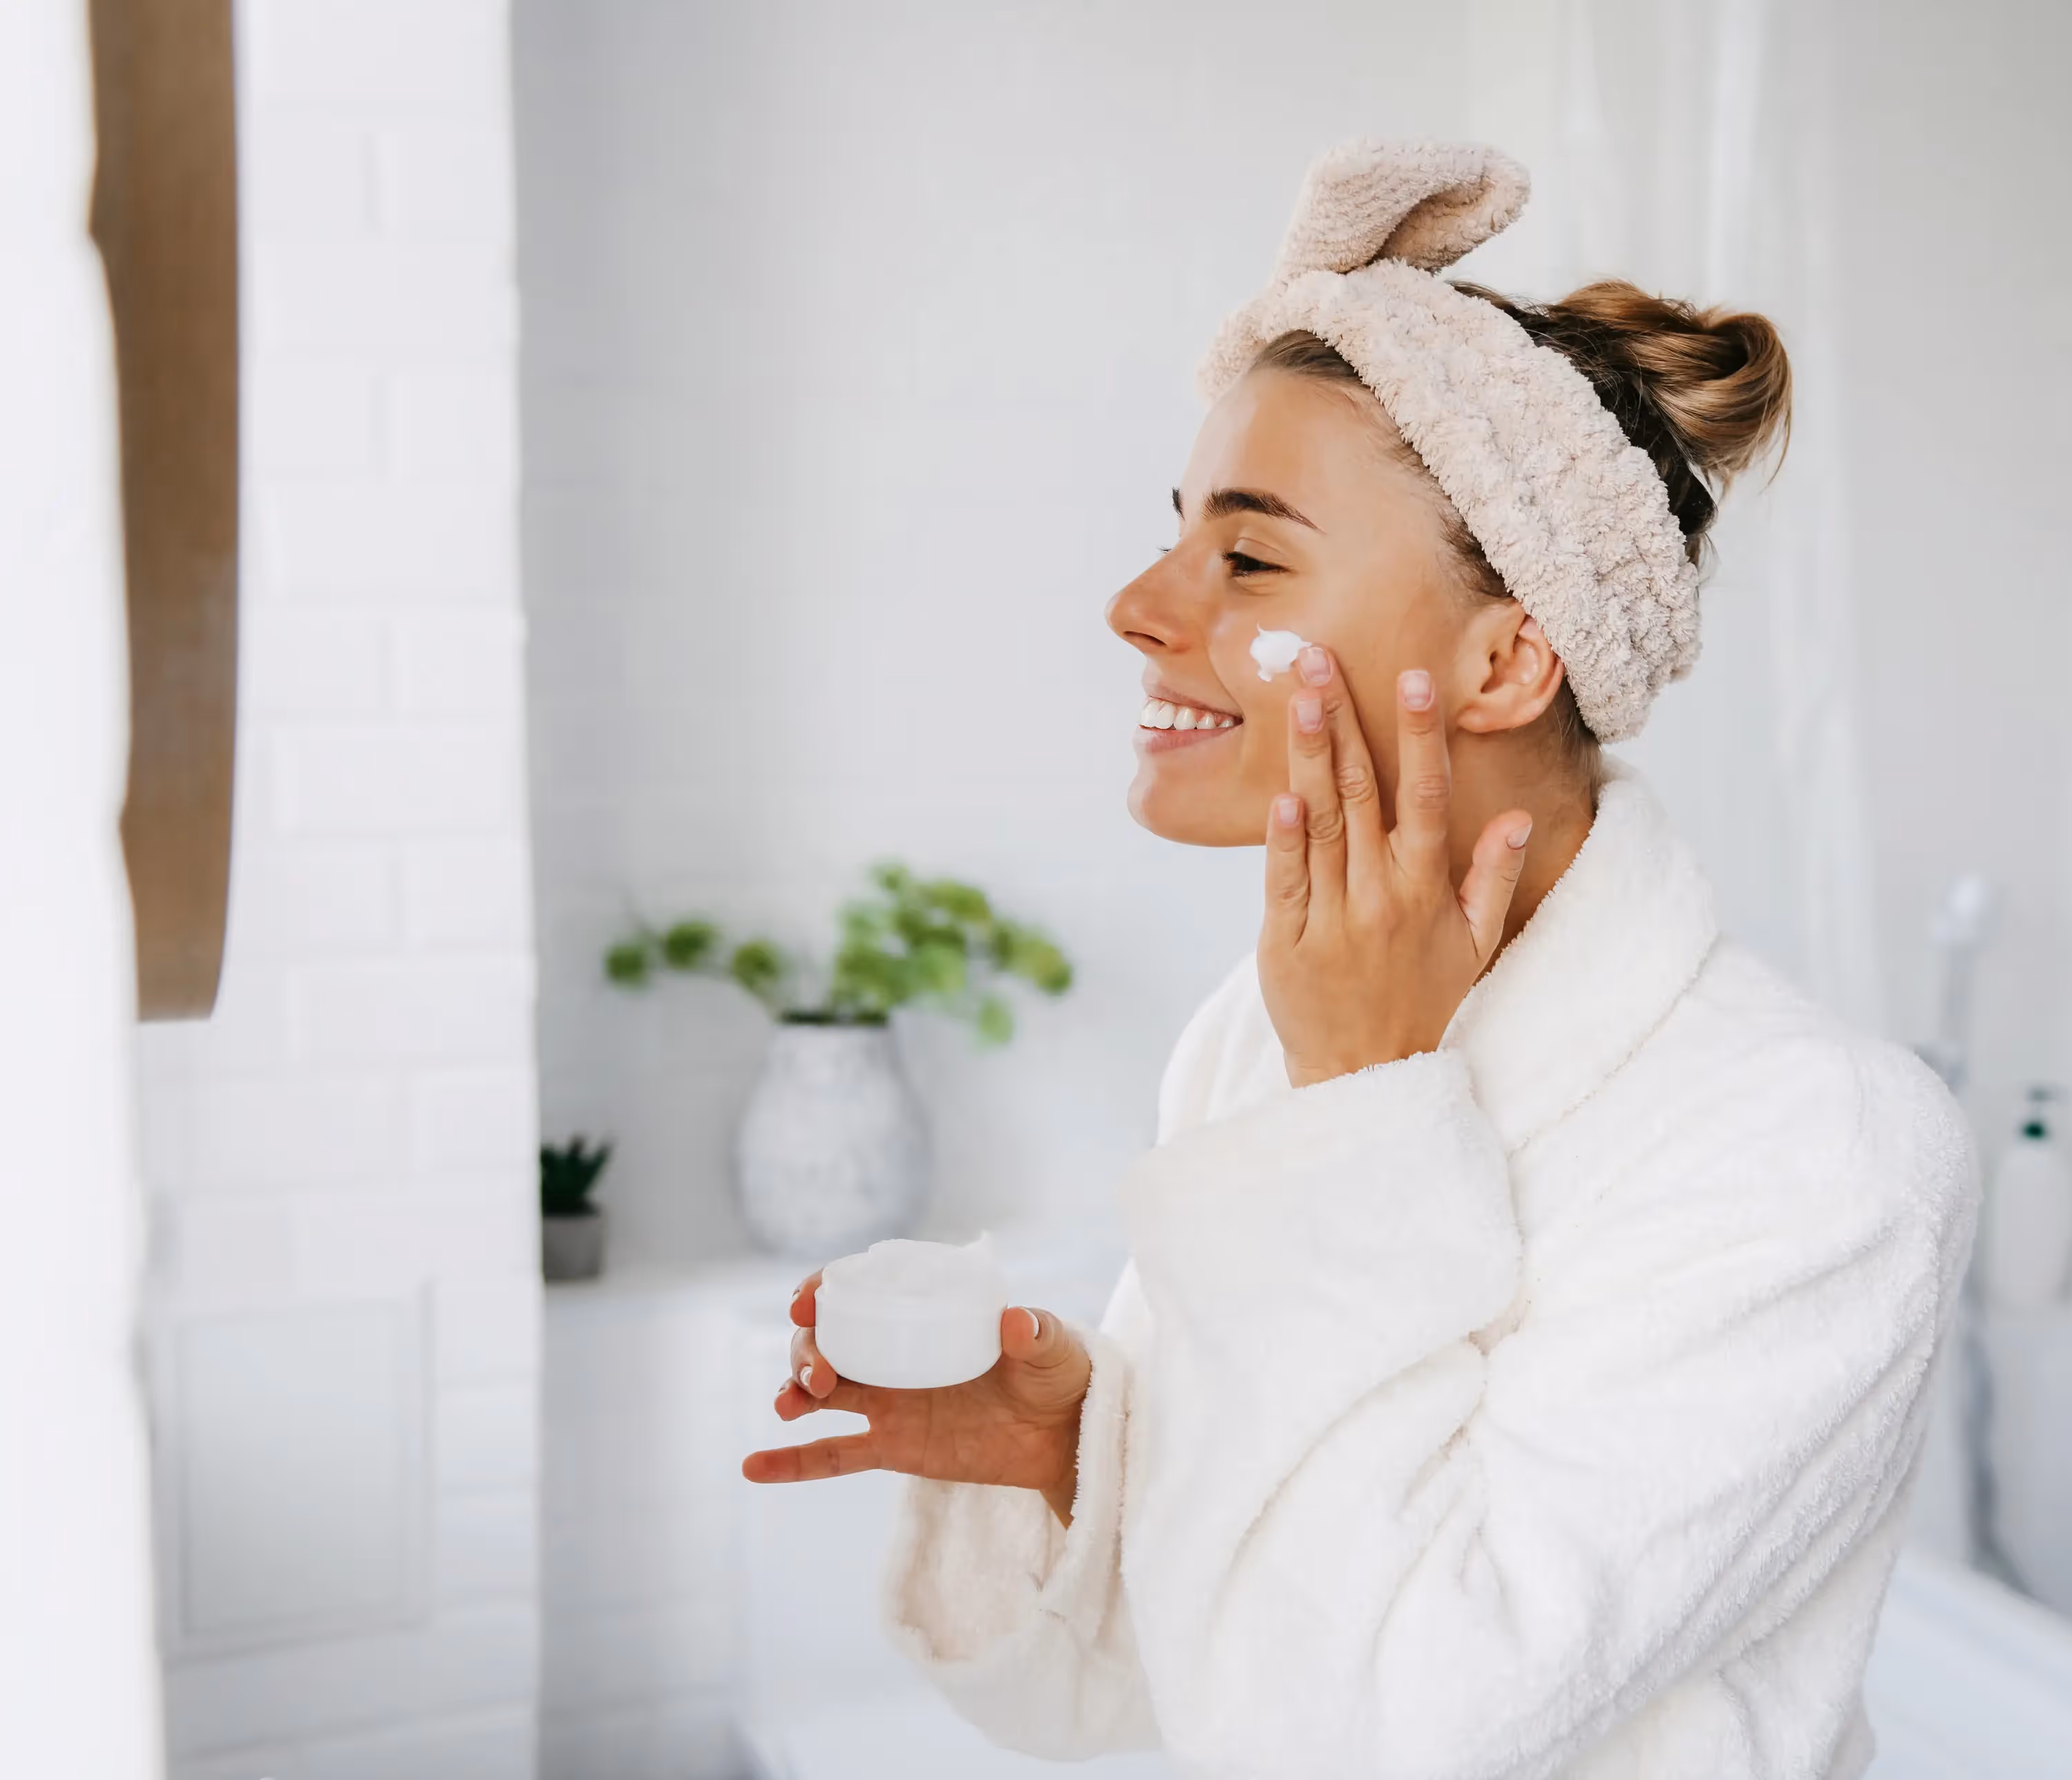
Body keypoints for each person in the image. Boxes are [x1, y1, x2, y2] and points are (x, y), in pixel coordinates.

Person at [742, 140, 1977, 1780]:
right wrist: (1079, 1466)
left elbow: (1383, 1739)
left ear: (1506, 655)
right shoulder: (1259, 1044)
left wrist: (1371, 1105)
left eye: (1248, 557)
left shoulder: (1815, 1154)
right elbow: (1161, 1699)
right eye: (1175, 535)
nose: (1134, 605)